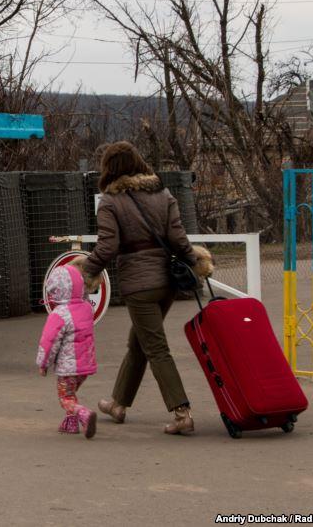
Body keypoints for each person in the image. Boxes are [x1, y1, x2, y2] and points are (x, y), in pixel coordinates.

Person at [77, 141, 212, 435]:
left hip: (139, 286)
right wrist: (196, 262)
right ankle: (118, 403)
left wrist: (87, 270)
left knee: (155, 348)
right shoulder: (164, 194)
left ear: (109, 169)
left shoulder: (110, 202)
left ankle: (182, 413)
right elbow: (178, 238)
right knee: (138, 342)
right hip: (167, 282)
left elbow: (107, 246)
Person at [36, 264, 99, 439]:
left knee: (66, 398)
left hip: (68, 367)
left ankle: (84, 413)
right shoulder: (87, 308)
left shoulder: (59, 314)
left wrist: (43, 363)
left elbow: (49, 341)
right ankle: (70, 423)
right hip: (85, 366)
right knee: (71, 392)